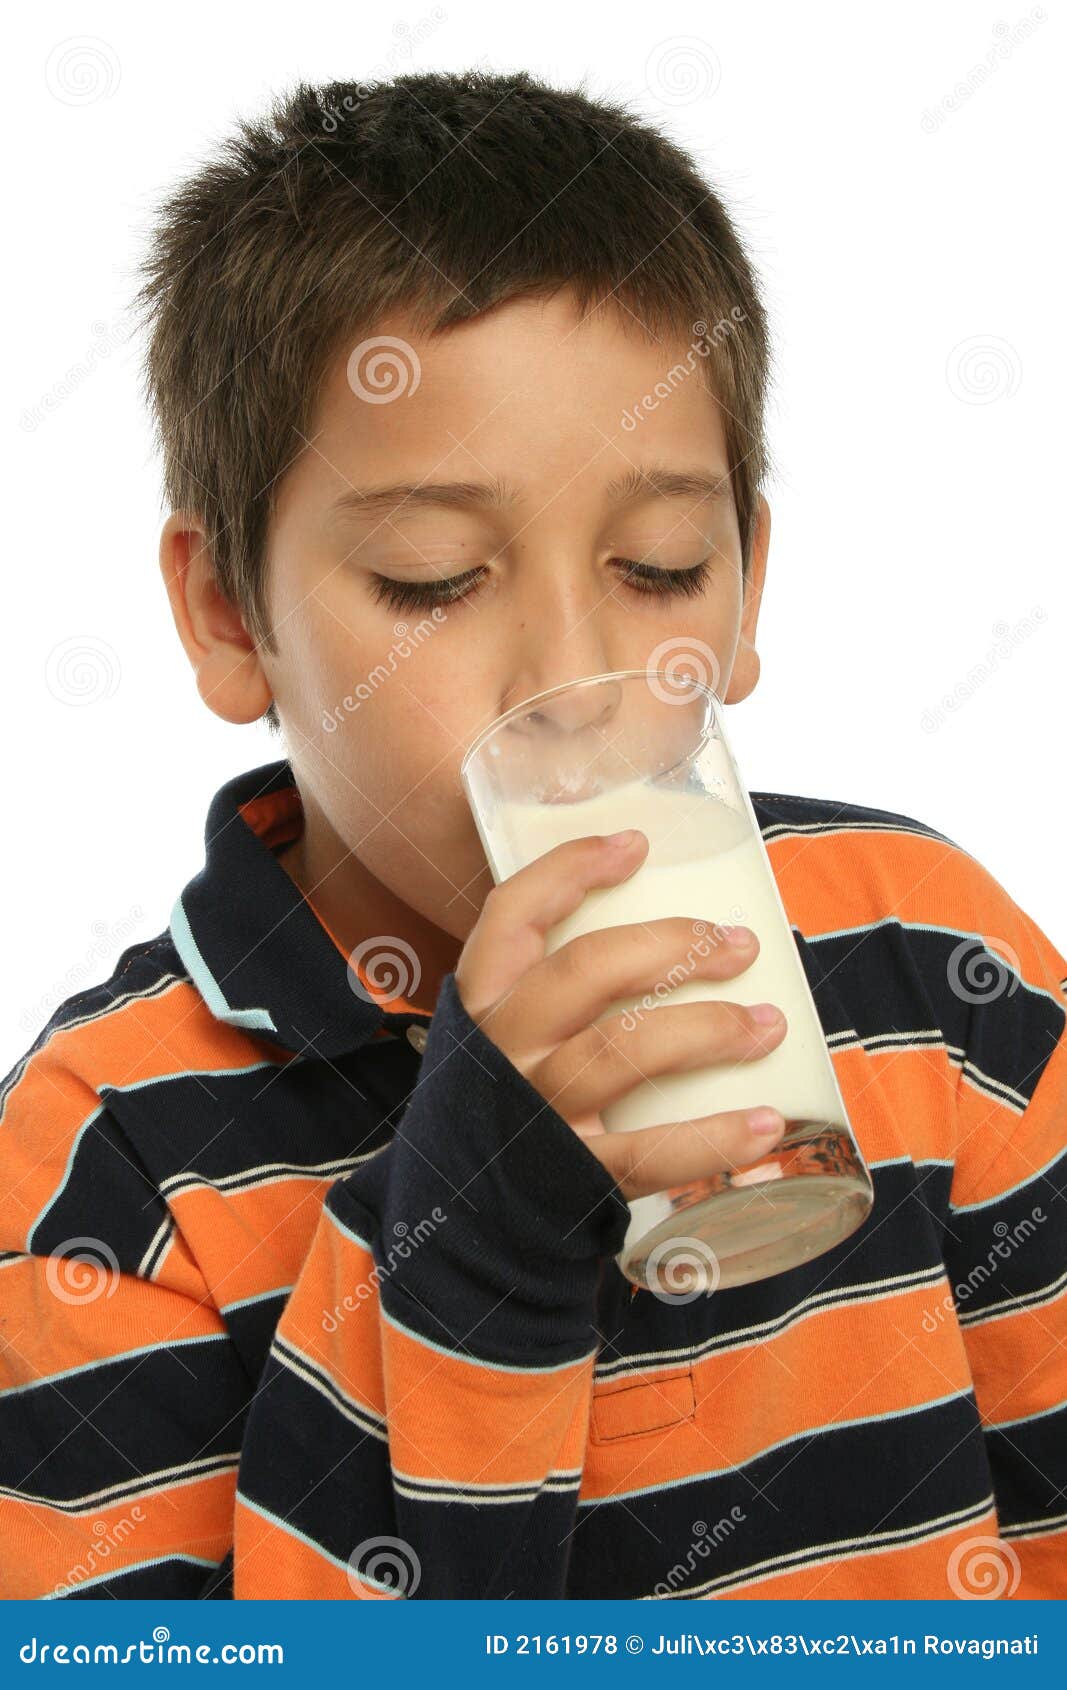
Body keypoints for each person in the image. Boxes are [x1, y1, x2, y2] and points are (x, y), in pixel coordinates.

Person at [2, 69, 1063, 1602]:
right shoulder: (116, 1164)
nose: (572, 684)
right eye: (435, 579)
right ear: (231, 613)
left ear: (747, 578)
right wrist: (471, 1237)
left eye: (659, 563)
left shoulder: (933, 967)